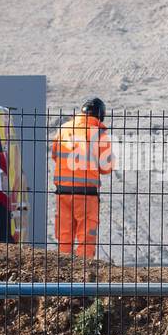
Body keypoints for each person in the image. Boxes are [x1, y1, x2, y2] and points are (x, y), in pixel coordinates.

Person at [51, 98, 114, 257]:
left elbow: (55, 155)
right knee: (86, 235)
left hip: (63, 192)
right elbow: (106, 168)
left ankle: (62, 269)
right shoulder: (99, 134)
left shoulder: (64, 129)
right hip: (87, 194)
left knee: (65, 233)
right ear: (101, 116)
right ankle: (84, 272)